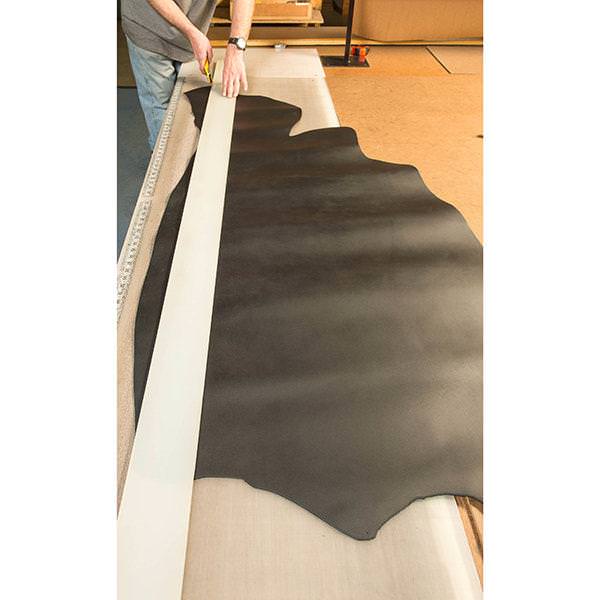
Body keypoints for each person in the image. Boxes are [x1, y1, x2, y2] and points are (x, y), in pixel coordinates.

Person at [121, 0, 255, 148]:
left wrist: (236, 47)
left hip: (191, 32)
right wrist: (192, 33)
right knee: (161, 112)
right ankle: (164, 159)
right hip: (148, 28)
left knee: (187, 109)